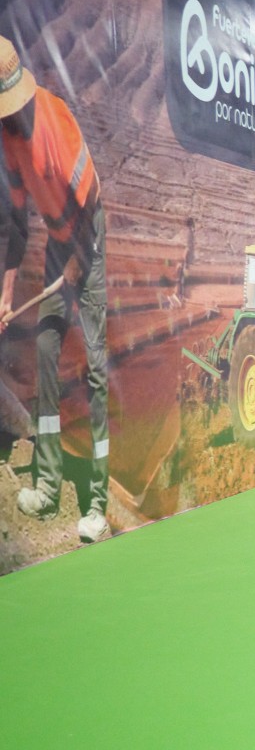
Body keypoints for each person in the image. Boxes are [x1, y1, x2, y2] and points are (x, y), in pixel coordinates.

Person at [0, 36, 111, 543]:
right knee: (46, 347)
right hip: (57, 242)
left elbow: (90, 199)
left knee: (96, 365)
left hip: (87, 236)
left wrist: (78, 263)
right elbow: (17, 222)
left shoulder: (55, 119)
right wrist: (5, 293)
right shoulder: (9, 139)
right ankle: (47, 485)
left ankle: (99, 505)